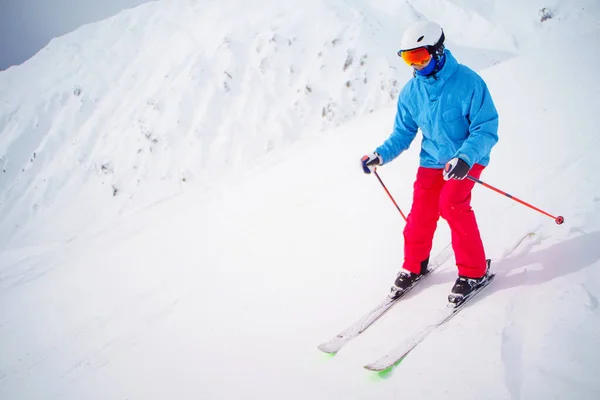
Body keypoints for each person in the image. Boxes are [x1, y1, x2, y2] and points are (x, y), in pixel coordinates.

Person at [360, 21, 499, 302]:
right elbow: (403, 133)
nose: (417, 65)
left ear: (438, 52)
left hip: (467, 158)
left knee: (451, 204)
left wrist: (465, 157)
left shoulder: (469, 82)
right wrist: (380, 155)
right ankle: (415, 266)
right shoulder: (412, 93)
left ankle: (474, 271)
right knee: (421, 213)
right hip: (433, 160)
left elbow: (486, 128)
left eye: (421, 57)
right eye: (409, 59)